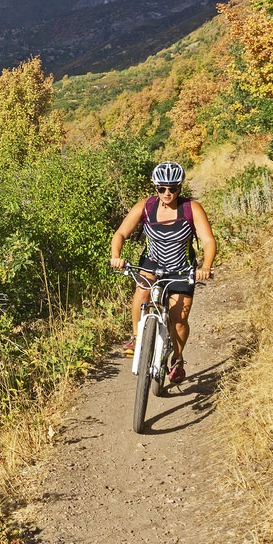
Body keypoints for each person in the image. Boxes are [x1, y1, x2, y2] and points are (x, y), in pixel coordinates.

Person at [109, 160, 216, 386]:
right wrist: (116, 255)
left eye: (173, 188)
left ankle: (177, 360)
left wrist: (205, 266)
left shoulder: (191, 208)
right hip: (152, 263)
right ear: (155, 188)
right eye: (162, 189)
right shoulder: (146, 207)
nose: (167, 193)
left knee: (179, 320)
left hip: (181, 268)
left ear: (180, 188)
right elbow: (120, 234)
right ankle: (137, 338)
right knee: (141, 292)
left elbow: (208, 241)